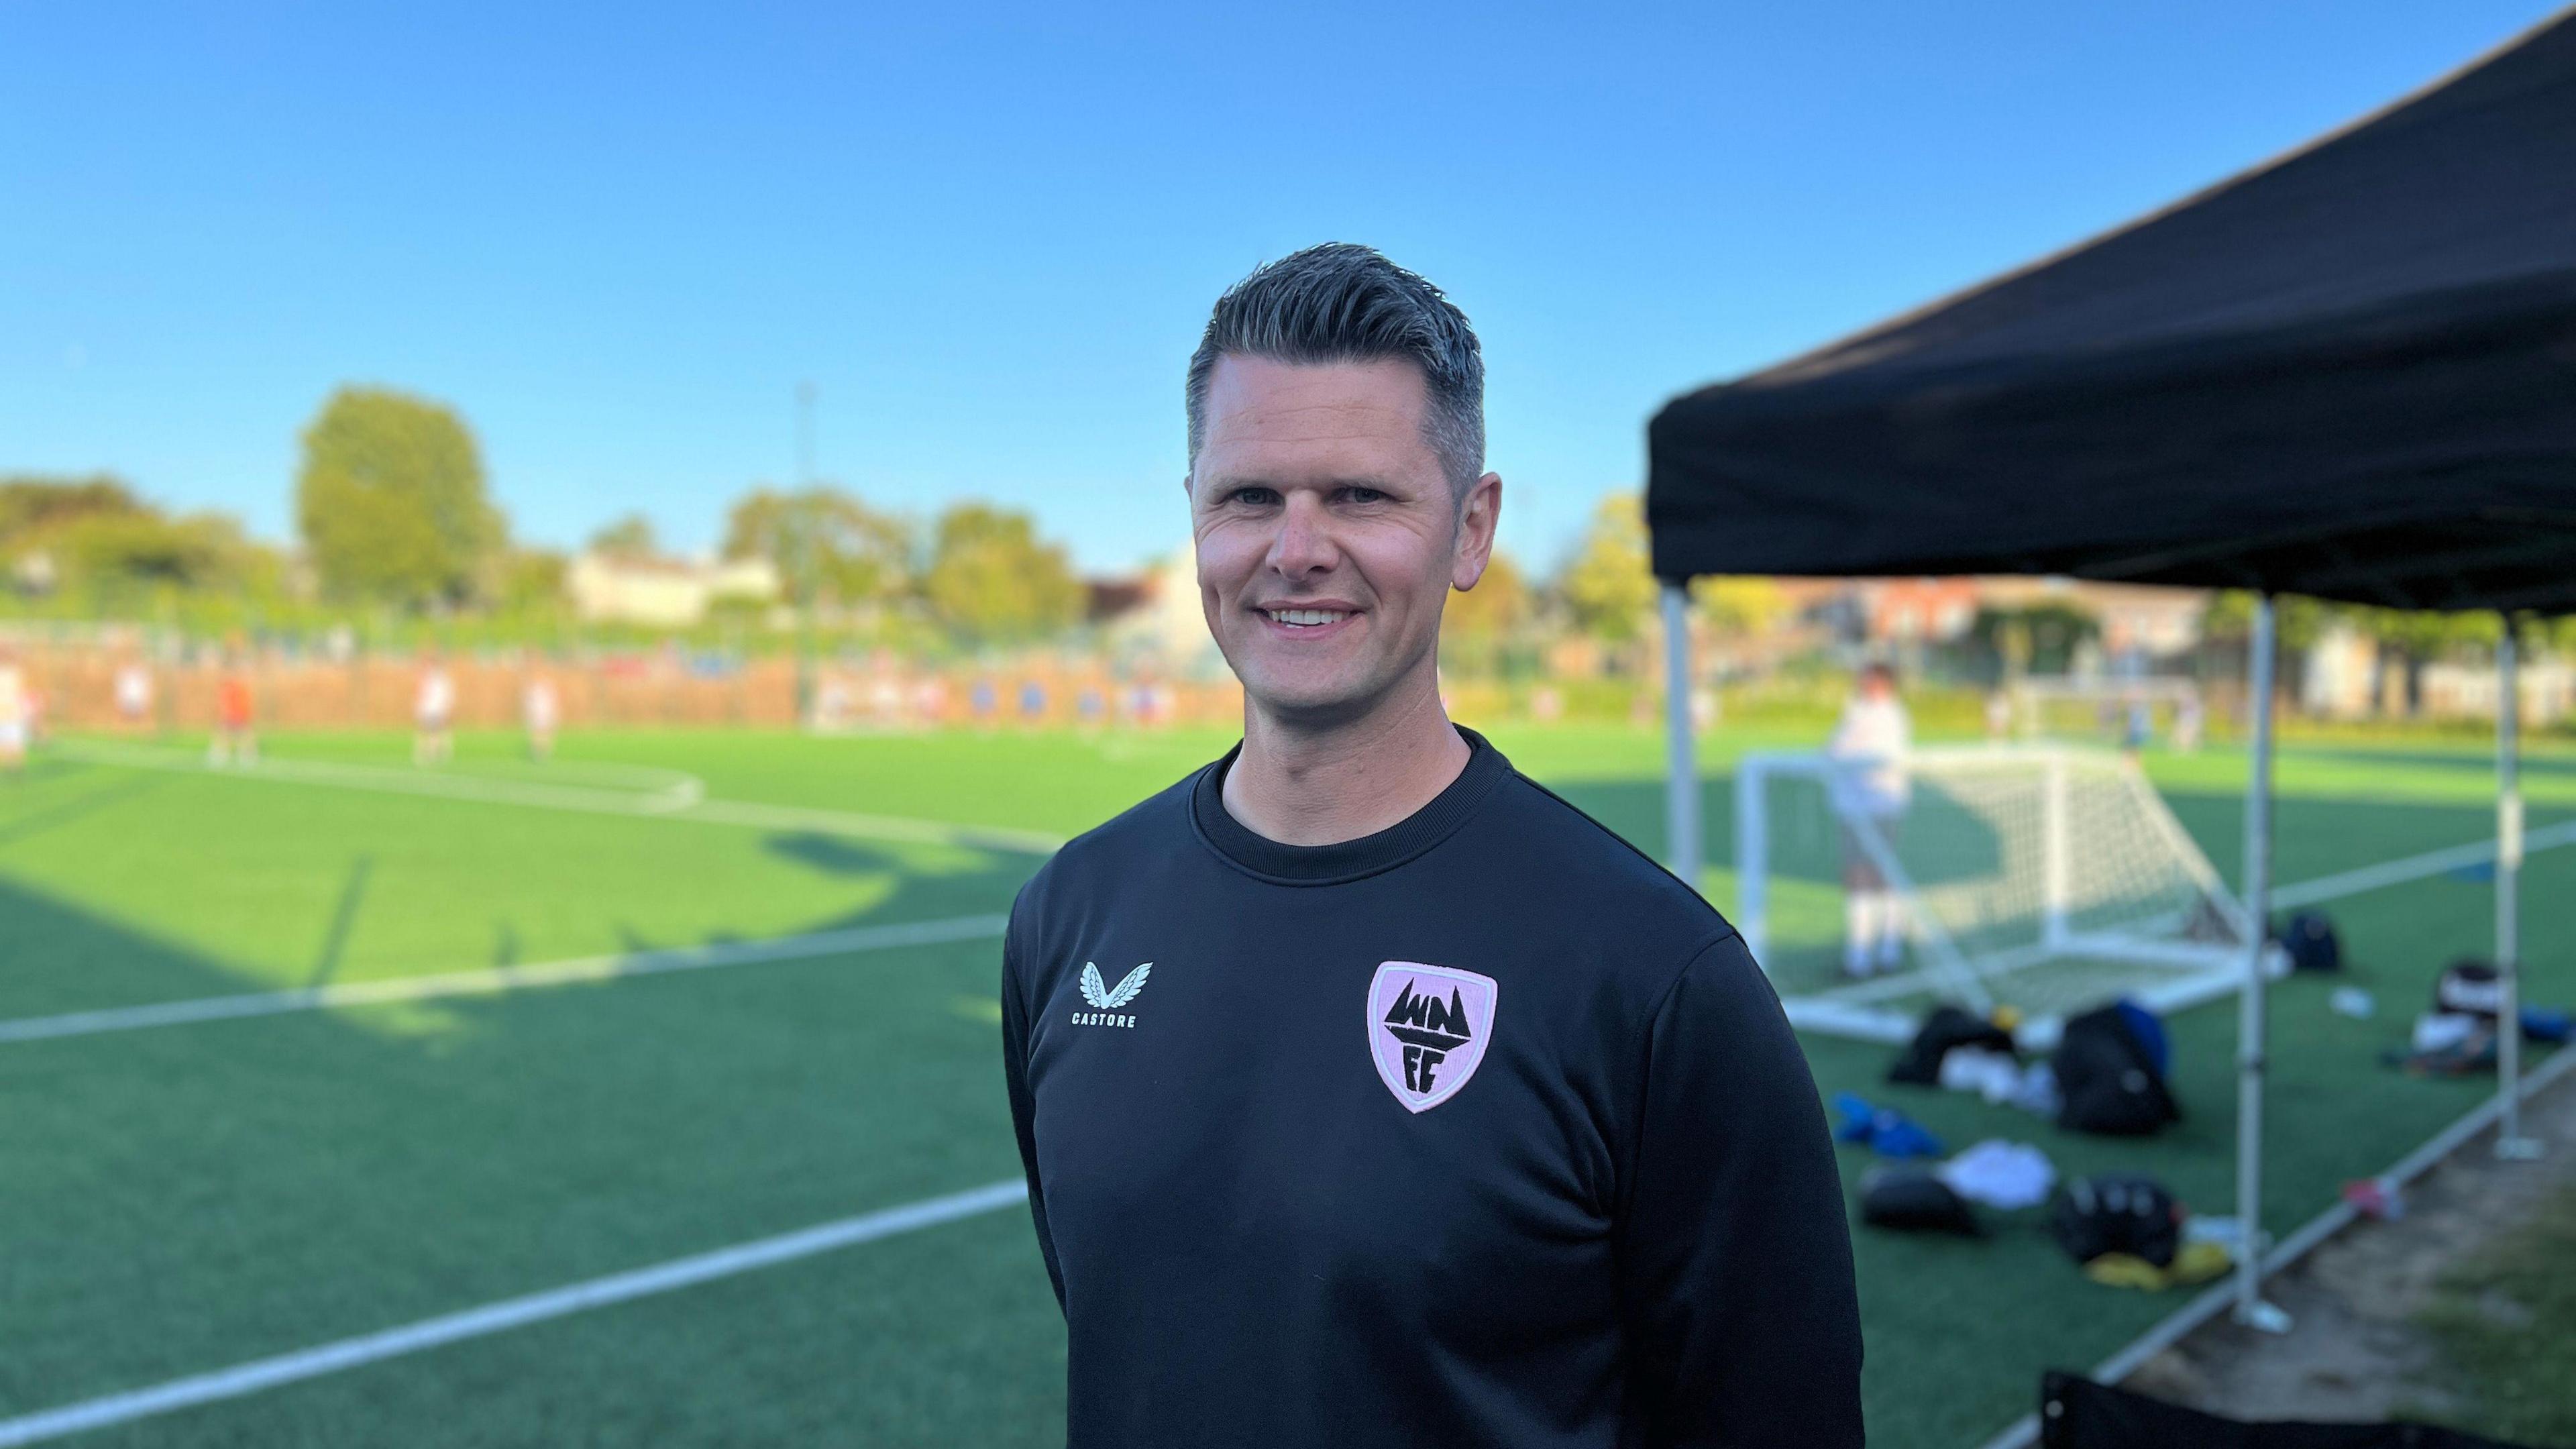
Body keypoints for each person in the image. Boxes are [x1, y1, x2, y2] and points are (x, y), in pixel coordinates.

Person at [1001, 244, 1861, 1448]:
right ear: (1194, 516)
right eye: (1249, 497)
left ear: (1470, 530)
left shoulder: (1657, 980)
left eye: (1360, 496)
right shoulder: (1071, 915)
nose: (1296, 548)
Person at [1827, 661, 1912, 978]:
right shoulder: (1868, 712)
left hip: (1873, 806)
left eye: (1869, 680)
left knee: (1867, 874)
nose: (1863, 684)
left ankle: (1866, 953)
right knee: (1869, 874)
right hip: (1861, 806)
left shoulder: (1878, 715)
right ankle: (1879, 948)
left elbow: (1837, 751)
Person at [211, 658, 256, 767]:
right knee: (226, 733)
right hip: (233, 714)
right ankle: (223, 754)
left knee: (242, 734)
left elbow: (240, 702)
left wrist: (236, 713)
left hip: (237, 714)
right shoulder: (228, 686)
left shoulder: (236, 687)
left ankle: (246, 755)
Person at [414, 655, 455, 765]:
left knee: (435, 732)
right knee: (427, 732)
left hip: (436, 708)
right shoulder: (428, 678)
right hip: (428, 708)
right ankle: (429, 753)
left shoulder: (439, 679)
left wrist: (446, 708)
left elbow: (446, 694)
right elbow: (422, 694)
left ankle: (433, 753)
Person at [0, 647, 29, 776]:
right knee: (8, 744)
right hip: (7, 715)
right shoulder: (14, 673)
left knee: (14, 744)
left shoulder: (13, 674)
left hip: (12, 714)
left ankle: (15, 769)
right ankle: (13, 769)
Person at [523, 672, 559, 761]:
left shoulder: (545, 692)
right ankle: (539, 752)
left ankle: (543, 751)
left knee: (545, 733)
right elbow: (529, 703)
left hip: (544, 714)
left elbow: (552, 704)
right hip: (539, 715)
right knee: (538, 733)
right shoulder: (535, 692)